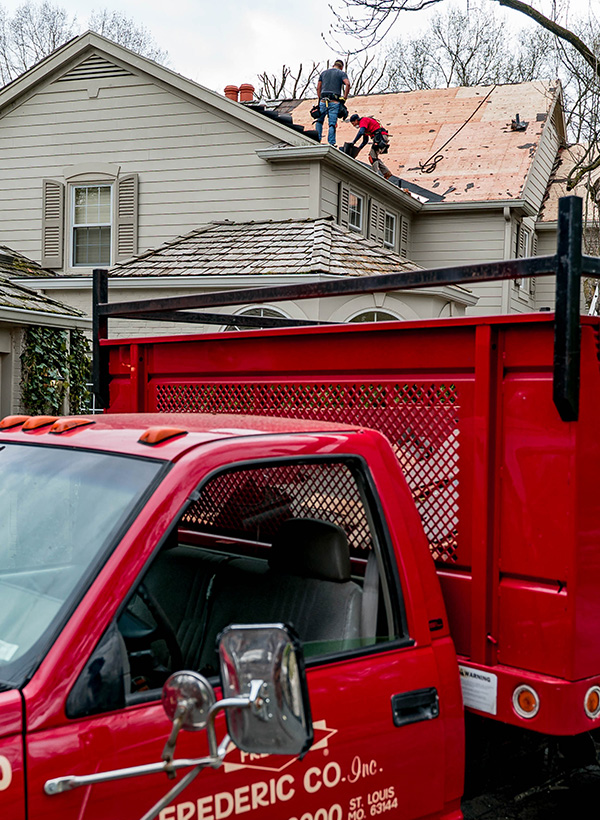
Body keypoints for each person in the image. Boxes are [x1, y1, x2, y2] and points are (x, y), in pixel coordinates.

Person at [315, 59, 350, 147]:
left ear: (333, 65)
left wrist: (320, 98)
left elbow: (318, 88)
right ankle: (331, 142)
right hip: (334, 101)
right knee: (332, 123)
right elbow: (348, 84)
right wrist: (345, 97)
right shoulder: (341, 73)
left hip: (323, 100)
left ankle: (316, 140)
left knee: (319, 121)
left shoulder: (324, 73)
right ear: (341, 67)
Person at [349, 113, 393, 179]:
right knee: (374, 156)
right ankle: (386, 172)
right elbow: (365, 141)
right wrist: (358, 149)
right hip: (380, 137)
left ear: (356, 120)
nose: (354, 125)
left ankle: (375, 175)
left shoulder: (363, 121)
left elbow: (361, 132)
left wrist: (353, 142)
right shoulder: (365, 126)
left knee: (372, 157)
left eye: (353, 123)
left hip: (380, 137)